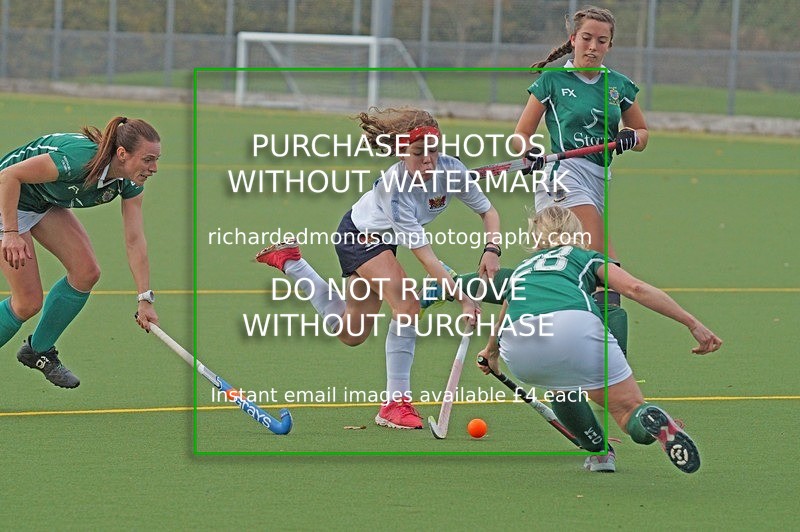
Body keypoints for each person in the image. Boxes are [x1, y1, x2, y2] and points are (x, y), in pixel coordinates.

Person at [256, 107, 501, 429]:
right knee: (407, 303)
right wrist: (463, 299)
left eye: (433, 151)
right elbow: (425, 257)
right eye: (418, 153)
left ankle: (292, 262)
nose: (428, 161)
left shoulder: (451, 169)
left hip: (384, 240)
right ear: (401, 152)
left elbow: (489, 212)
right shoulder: (394, 190)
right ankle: (394, 404)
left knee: (352, 334)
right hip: (359, 237)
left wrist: (492, 247)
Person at [423, 5, 642, 356]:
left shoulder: (618, 85)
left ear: (610, 46)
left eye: (602, 41)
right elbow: (520, 137)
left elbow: (641, 131)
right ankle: (613, 373)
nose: (593, 47)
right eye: (586, 38)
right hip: (563, 178)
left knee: (548, 272)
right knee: (606, 267)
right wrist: (532, 149)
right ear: (573, 40)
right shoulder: (552, 82)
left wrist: (632, 137)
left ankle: (453, 292)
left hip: (599, 179)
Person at [477, 205, 722, 473]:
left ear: (536, 237)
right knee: (628, 410)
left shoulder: (522, 270)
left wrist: (491, 351)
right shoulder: (586, 257)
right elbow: (635, 289)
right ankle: (645, 419)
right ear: (577, 233)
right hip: (574, 330)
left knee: (561, 382)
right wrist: (692, 323)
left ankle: (600, 454)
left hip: (521, 348)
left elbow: (505, 312)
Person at [0, 117, 161, 388]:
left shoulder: (129, 182)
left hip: (42, 200)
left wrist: (144, 299)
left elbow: (135, 240)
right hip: (7, 197)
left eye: (156, 160)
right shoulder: (78, 160)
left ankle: (37, 350)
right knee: (27, 302)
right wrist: (11, 233)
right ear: (122, 154)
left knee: (86, 272)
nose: (154, 168)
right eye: (148, 160)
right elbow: (9, 176)